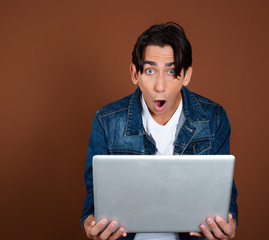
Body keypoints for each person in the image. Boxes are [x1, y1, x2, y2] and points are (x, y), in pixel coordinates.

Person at [81, 22, 238, 240]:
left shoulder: (215, 119)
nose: (160, 86)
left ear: (186, 75)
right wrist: (89, 222)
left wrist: (228, 221)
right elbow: (95, 196)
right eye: (150, 70)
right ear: (135, 74)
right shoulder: (106, 121)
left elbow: (224, 192)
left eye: (171, 71)